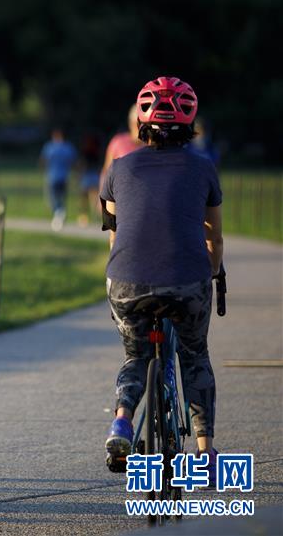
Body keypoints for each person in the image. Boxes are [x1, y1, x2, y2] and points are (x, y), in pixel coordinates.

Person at [102, 76, 224, 483]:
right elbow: (215, 236)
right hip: (187, 280)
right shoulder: (204, 168)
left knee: (136, 357)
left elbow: (116, 234)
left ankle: (121, 422)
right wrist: (211, 270)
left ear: (142, 121)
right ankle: (205, 454)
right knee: (194, 357)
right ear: (191, 124)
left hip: (126, 281)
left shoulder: (119, 168)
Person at [40, 128, 77, 231]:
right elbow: (74, 162)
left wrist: (43, 169)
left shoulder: (49, 147)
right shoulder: (68, 147)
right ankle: (61, 214)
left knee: (52, 199)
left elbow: (43, 161)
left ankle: (58, 215)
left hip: (52, 177)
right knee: (61, 198)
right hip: (64, 177)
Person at [101, 104, 144, 184]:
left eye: (142, 124)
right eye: (136, 123)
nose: (138, 127)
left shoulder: (150, 145)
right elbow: (106, 171)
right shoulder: (118, 142)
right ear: (130, 123)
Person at [77, 135, 102, 226]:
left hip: (87, 175)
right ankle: (94, 214)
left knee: (84, 198)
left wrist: (79, 175)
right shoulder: (96, 151)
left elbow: (81, 165)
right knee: (93, 197)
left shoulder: (85, 152)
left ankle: (84, 216)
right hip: (93, 175)